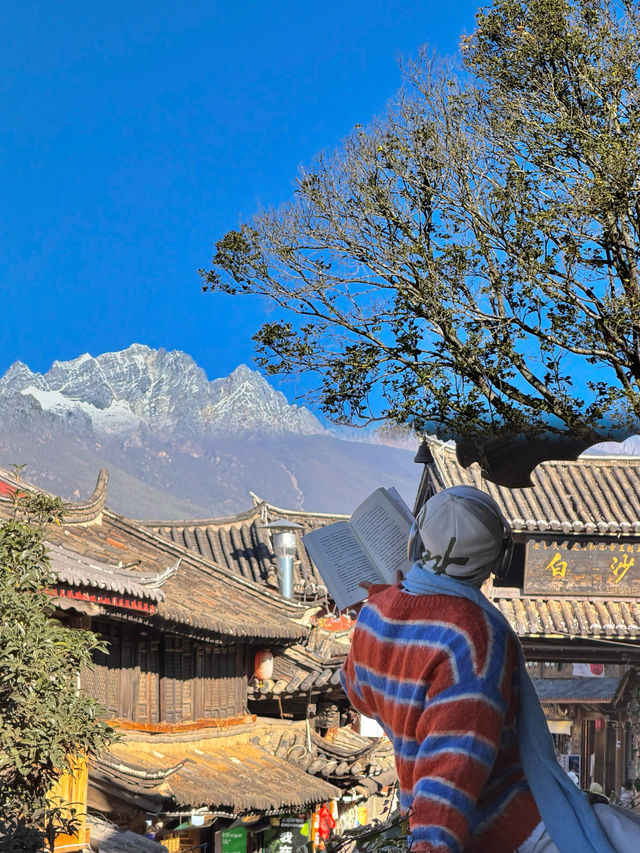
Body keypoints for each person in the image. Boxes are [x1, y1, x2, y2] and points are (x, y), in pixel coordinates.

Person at [340, 486, 640, 853]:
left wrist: (388, 604)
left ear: (415, 541)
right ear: (500, 559)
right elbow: (450, 771)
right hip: (510, 829)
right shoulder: (474, 637)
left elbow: (358, 693)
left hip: (416, 811)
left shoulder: (374, 612)